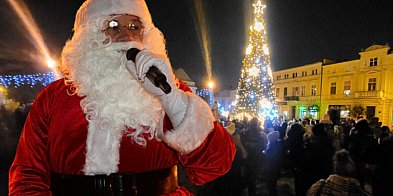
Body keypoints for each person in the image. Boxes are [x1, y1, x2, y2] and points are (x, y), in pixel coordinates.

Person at [8, 0, 236, 195]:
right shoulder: (53, 97)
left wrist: (171, 99)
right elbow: (28, 174)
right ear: (90, 36)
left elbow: (216, 165)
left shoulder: (167, 89)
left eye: (135, 26)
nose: (127, 35)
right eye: (113, 25)